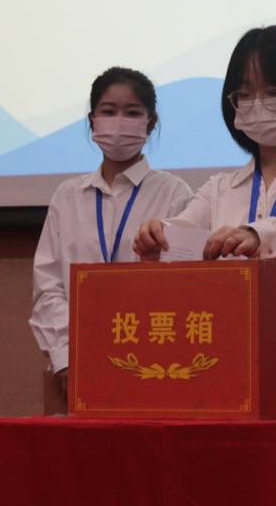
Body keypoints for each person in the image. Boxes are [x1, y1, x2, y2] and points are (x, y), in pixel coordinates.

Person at [134, 25, 276, 420]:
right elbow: (181, 231)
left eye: (273, 90)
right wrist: (156, 238)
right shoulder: (220, 188)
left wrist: (258, 236)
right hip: (225, 356)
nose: (256, 103)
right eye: (244, 93)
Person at [30, 67, 193, 401]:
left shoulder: (175, 194)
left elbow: (184, 286)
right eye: (108, 111)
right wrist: (66, 357)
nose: (119, 121)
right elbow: (48, 287)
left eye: (132, 112)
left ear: (150, 123)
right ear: (92, 120)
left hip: (154, 362)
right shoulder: (67, 196)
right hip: (77, 363)